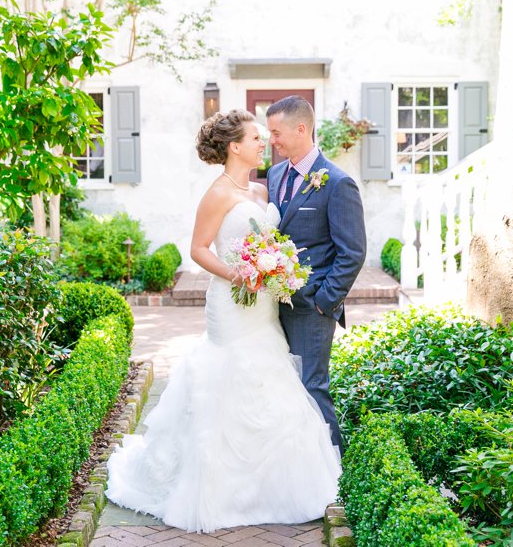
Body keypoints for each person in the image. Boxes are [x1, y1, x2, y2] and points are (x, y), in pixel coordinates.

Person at [105, 109, 341, 534]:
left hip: (264, 306)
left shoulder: (261, 188)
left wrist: (276, 267)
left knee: (271, 378)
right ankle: (220, 489)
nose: (262, 144)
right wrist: (239, 274)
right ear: (235, 147)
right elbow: (198, 249)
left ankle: (277, 487)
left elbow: (272, 241)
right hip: (232, 305)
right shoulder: (216, 193)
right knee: (230, 377)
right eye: (255, 138)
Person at [266, 96, 367, 456]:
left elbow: (352, 252)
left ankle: (336, 473)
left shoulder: (338, 183)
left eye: (276, 133)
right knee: (283, 388)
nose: (271, 140)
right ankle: (298, 467)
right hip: (272, 305)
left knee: (311, 386)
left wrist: (325, 301)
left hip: (312, 308)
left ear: (301, 128)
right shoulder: (275, 175)